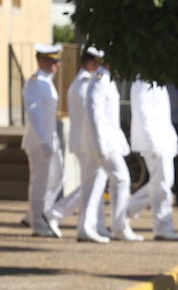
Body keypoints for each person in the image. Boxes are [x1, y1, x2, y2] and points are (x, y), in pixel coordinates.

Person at [84, 60, 137, 242]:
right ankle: (119, 226)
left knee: (93, 184)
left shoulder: (106, 79)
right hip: (103, 141)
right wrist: (100, 143)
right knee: (122, 178)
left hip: (108, 140)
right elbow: (94, 112)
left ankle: (87, 226)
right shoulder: (100, 79)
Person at [127, 78, 178, 241]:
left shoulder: (155, 82)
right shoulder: (142, 82)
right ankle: (163, 226)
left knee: (161, 183)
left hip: (163, 140)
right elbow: (142, 113)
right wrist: (152, 142)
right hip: (154, 142)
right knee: (162, 184)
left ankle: (126, 210)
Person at [57, 47, 105, 240]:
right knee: (93, 183)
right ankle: (60, 214)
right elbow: (91, 117)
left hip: (83, 141)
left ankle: (94, 224)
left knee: (93, 183)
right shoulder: (86, 83)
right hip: (88, 142)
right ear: (91, 63)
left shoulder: (80, 81)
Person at [21, 43, 63, 238]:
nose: (58, 64)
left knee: (56, 177)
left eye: (57, 61)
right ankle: (38, 222)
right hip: (40, 142)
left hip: (49, 139)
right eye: (54, 61)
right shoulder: (35, 82)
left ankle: (38, 214)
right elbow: (34, 114)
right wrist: (43, 141)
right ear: (43, 61)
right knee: (40, 182)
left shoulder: (47, 81)